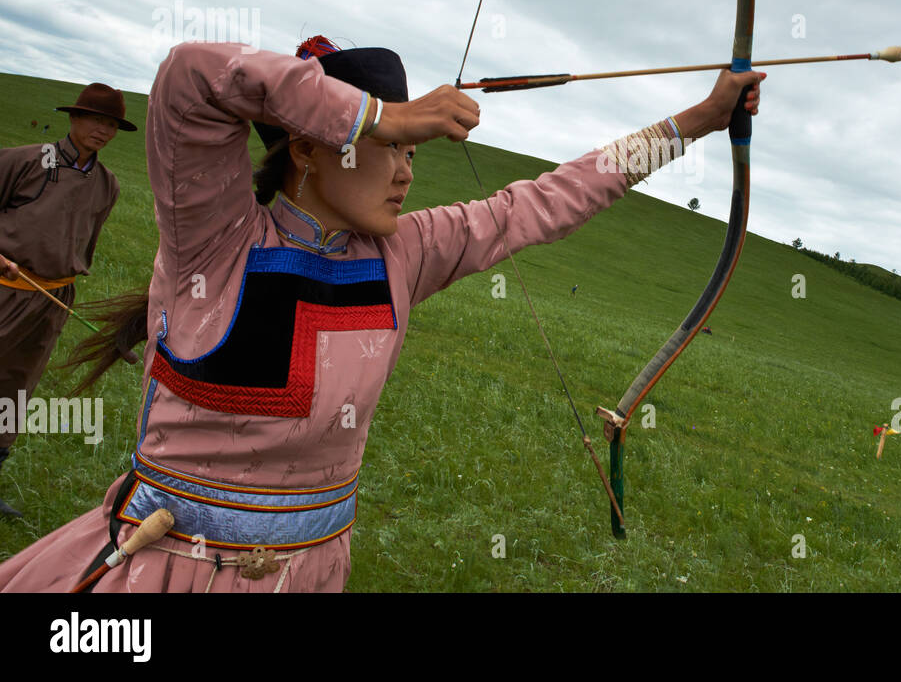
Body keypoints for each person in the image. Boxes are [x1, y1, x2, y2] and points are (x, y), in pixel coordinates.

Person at [0, 37, 761, 591]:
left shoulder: (404, 253)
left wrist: (695, 120)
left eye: (412, 154)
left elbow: (554, 197)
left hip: (310, 572)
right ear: (309, 146)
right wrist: (376, 114)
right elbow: (189, 77)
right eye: (387, 147)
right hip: (167, 570)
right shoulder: (215, 235)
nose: (404, 170)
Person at [0, 84, 132, 518]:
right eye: (96, 119)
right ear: (73, 118)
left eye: (111, 124)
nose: (103, 130)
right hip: (5, 289)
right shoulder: (24, 161)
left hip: (50, 301)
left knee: (15, 391)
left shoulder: (107, 185)